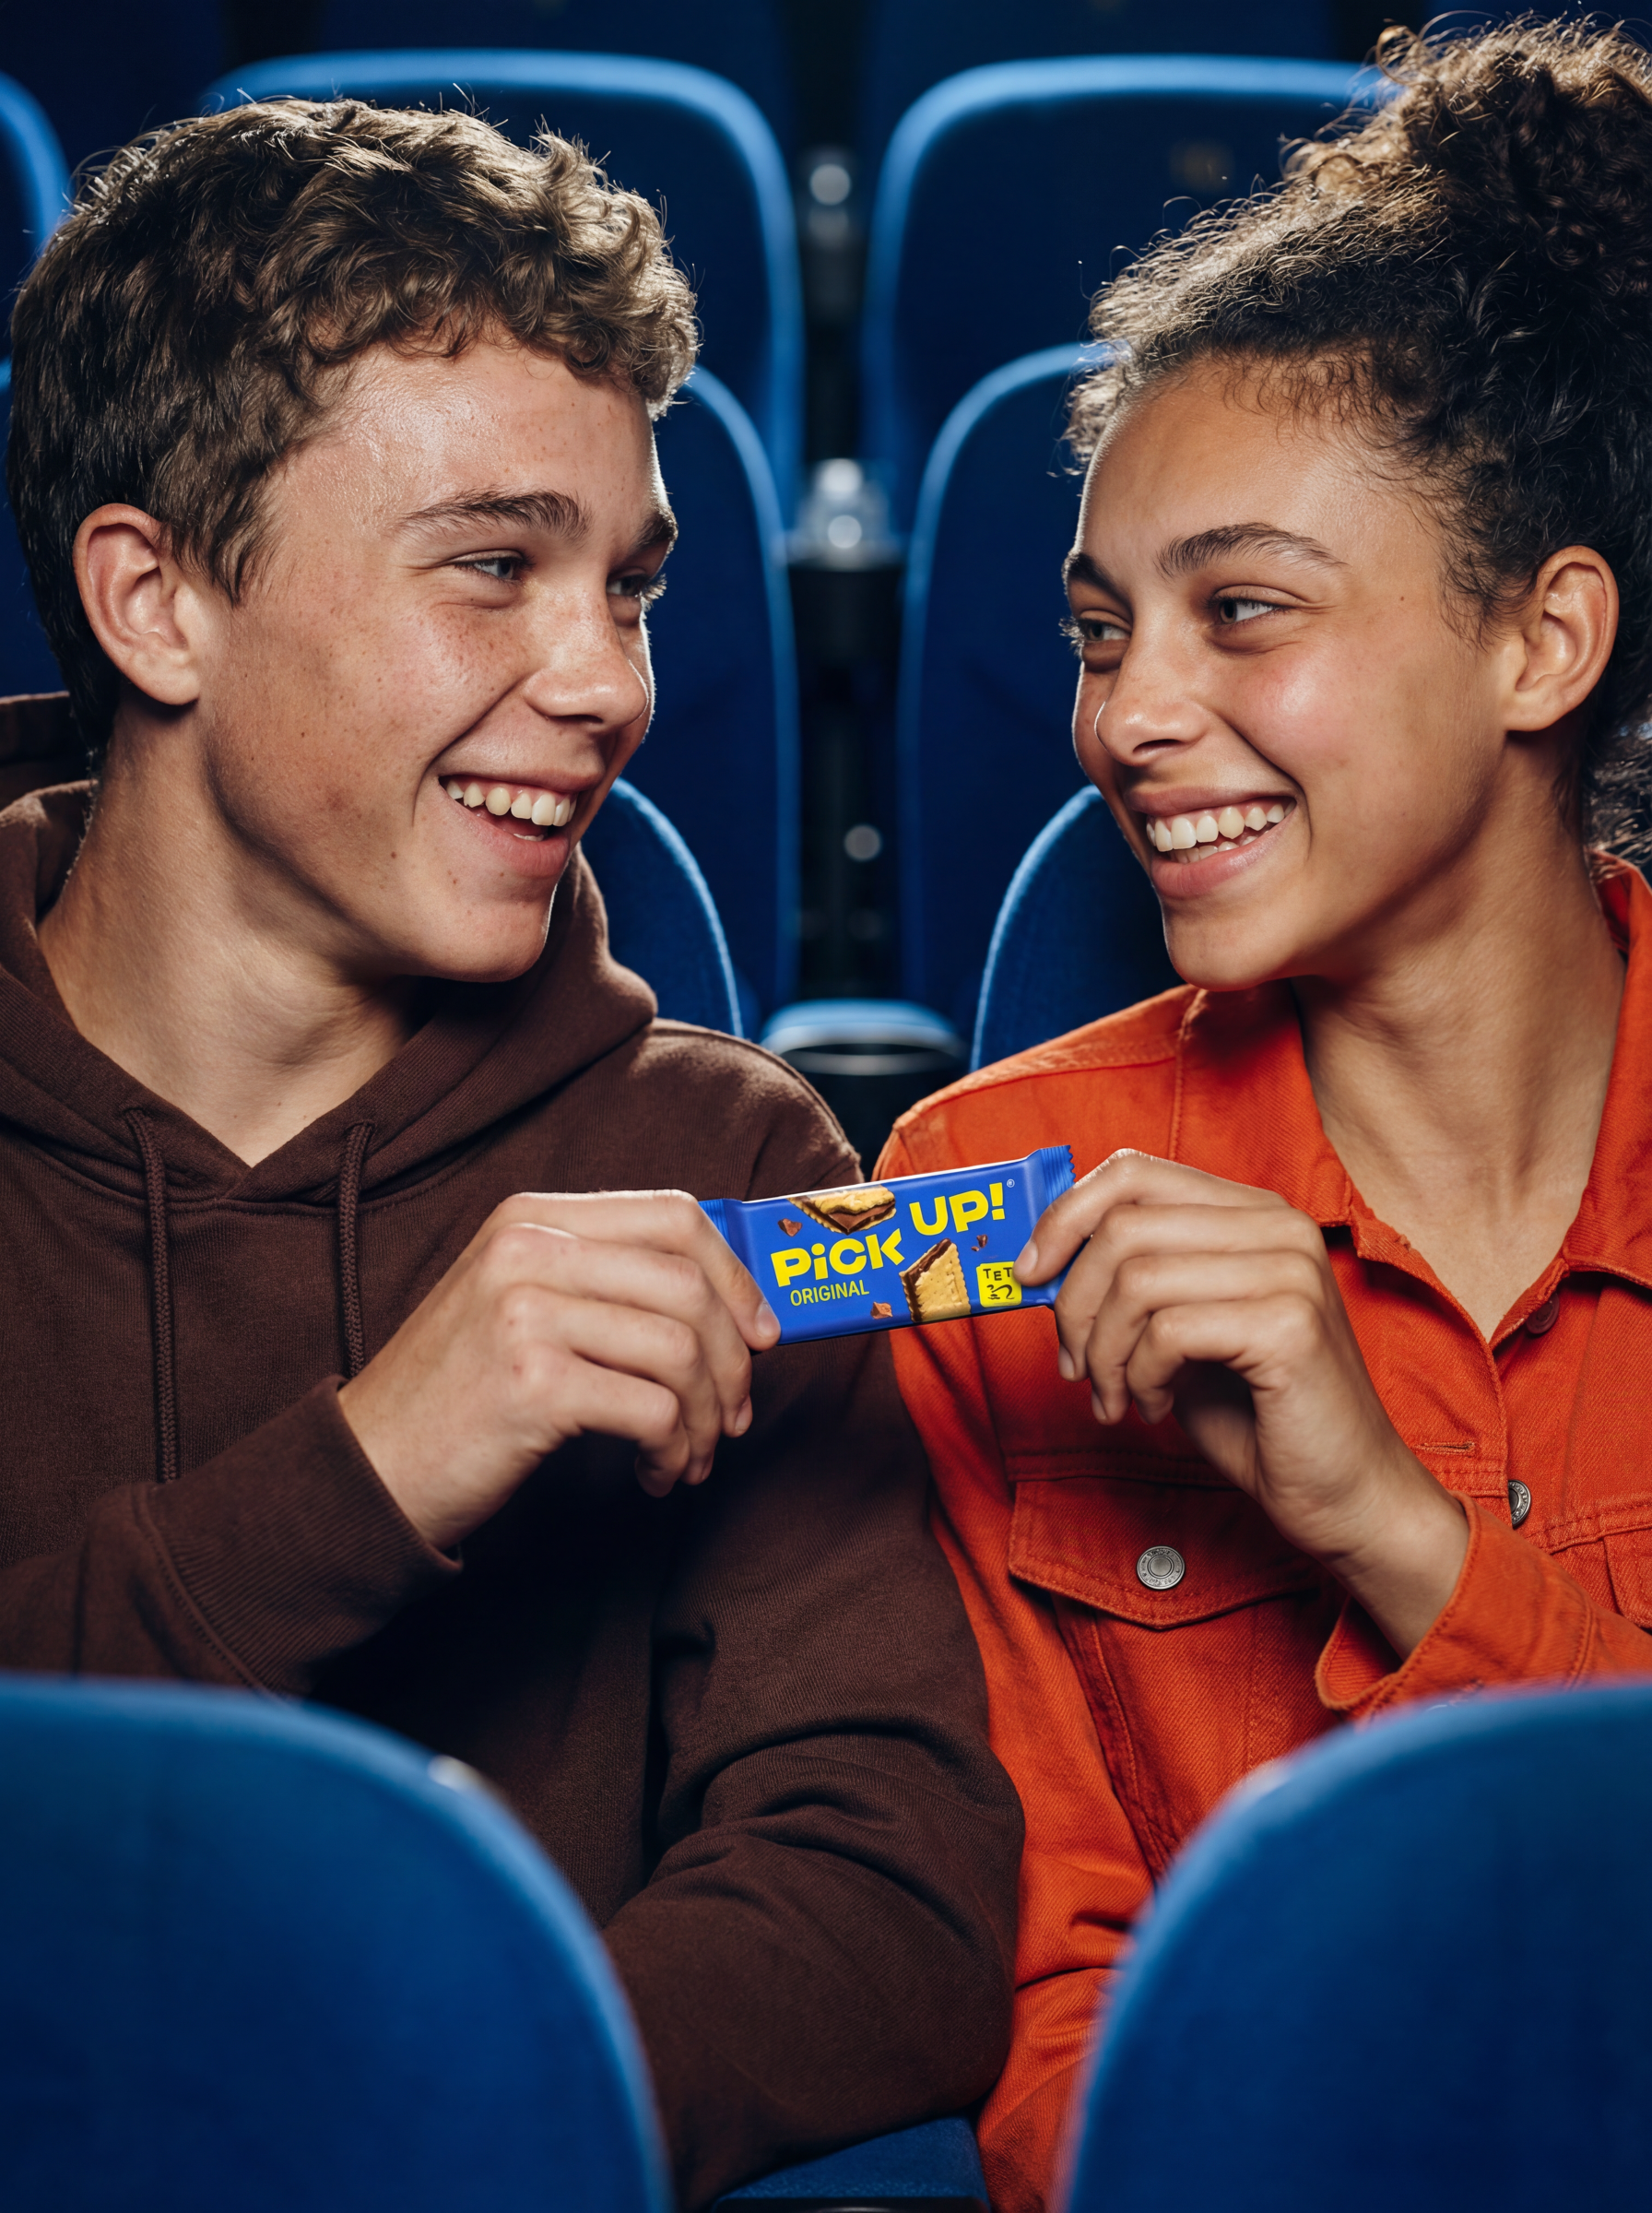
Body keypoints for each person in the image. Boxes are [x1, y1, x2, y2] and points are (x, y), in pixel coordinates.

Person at [0, 101, 1021, 2206]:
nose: (609, 683)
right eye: (493, 567)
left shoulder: (723, 1154)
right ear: (156, 600)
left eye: (629, 588)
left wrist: (407, 2116)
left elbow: (885, 1894)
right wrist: (368, 1469)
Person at [880, 21, 1652, 2209]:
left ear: (1540, 638)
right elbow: (1044, 2023)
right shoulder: (974, 1202)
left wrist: (1388, 1527)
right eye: (1099, 628)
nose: (1125, 715)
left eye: (1239, 613)